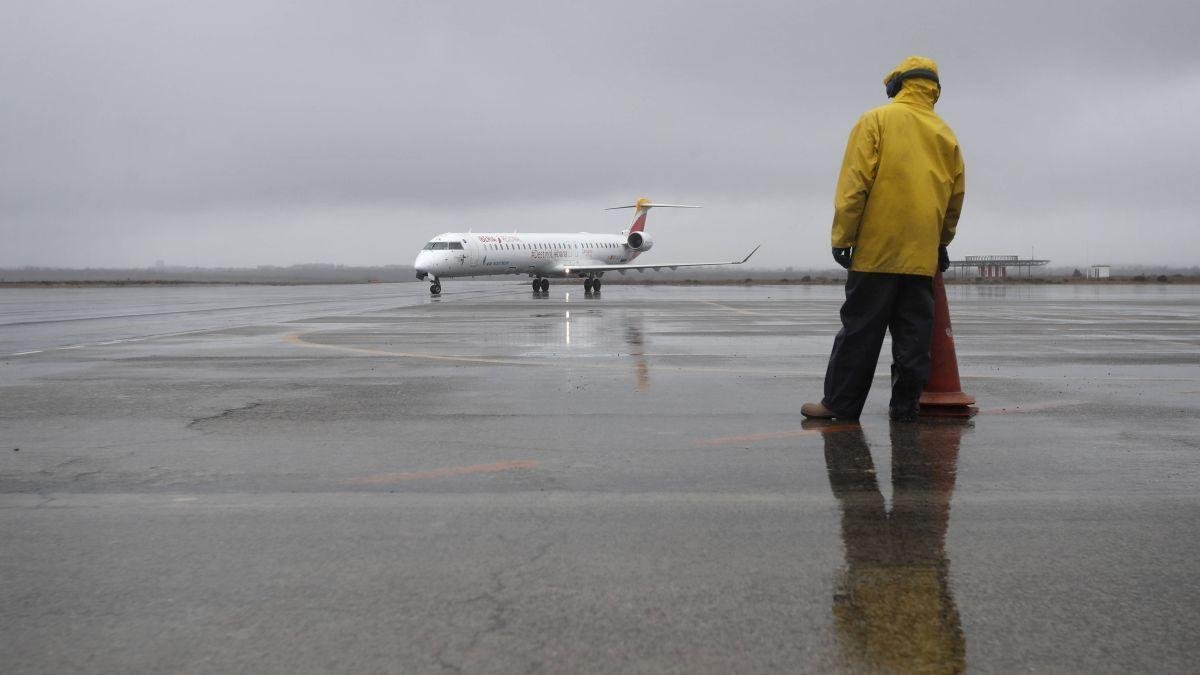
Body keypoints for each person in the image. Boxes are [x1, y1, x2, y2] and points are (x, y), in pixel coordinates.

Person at [802, 56, 965, 422]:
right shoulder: (945, 134)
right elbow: (954, 197)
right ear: (934, 90)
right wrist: (940, 243)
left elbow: (854, 184)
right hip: (921, 256)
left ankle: (841, 405)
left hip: (876, 251)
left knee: (860, 332)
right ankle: (904, 410)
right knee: (914, 340)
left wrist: (843, 236)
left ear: (897, 85)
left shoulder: (876, 120)